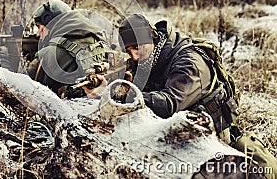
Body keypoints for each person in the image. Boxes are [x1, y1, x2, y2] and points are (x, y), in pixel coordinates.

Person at [116, 13, 276, 177]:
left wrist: (126, 92)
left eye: (137, 47)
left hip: (213, 139)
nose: (134, 56)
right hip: (178, 134)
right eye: (129, 51)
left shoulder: (189, 62)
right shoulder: (149, 58)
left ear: (152, 38)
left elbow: (169, 105)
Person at [27, 0, 110, 98]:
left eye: (40, 28)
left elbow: (23, 91)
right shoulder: (99, 41)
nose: (38, 34)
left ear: (50, 24)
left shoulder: (47, 56)